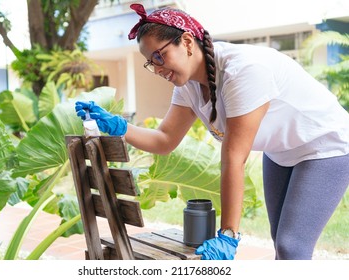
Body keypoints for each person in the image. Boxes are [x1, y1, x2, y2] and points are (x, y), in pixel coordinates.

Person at [75, 3, 349, 260]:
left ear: (185, 41)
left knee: (292, 246)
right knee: (282, 243)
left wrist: (228, 234)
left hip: (325, 145)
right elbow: (164, 140)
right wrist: (118, 127)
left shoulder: (242, 70)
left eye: (160, 55)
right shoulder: (188, 86)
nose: (157, 68)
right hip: (280, 152)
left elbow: (234, 157)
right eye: (150, 62)